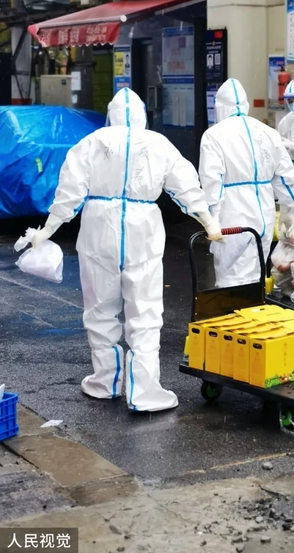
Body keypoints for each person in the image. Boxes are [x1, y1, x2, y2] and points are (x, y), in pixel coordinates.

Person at [31, 88, 221, 413]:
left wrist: (47, 230)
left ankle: (105, 382)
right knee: (145, 309)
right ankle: (144, 391)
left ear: (111, 113)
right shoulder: (159, 144)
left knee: (99, 307)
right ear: (143, 115)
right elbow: (186, 186)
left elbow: (69, 194)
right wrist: (209, 221)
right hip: (143, 226)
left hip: (98, 226)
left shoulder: (92, 142)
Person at [199, 78, 294, 288]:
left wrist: (211, 218)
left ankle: (236, 308)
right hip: (264, 211)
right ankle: (254, 306)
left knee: (232, 277)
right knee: (257, 271)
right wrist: (287, 209)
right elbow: (284, 175)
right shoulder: (268, 132)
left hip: (233, 213)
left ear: (219, 106)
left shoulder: (213, 136)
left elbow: (211, 181)